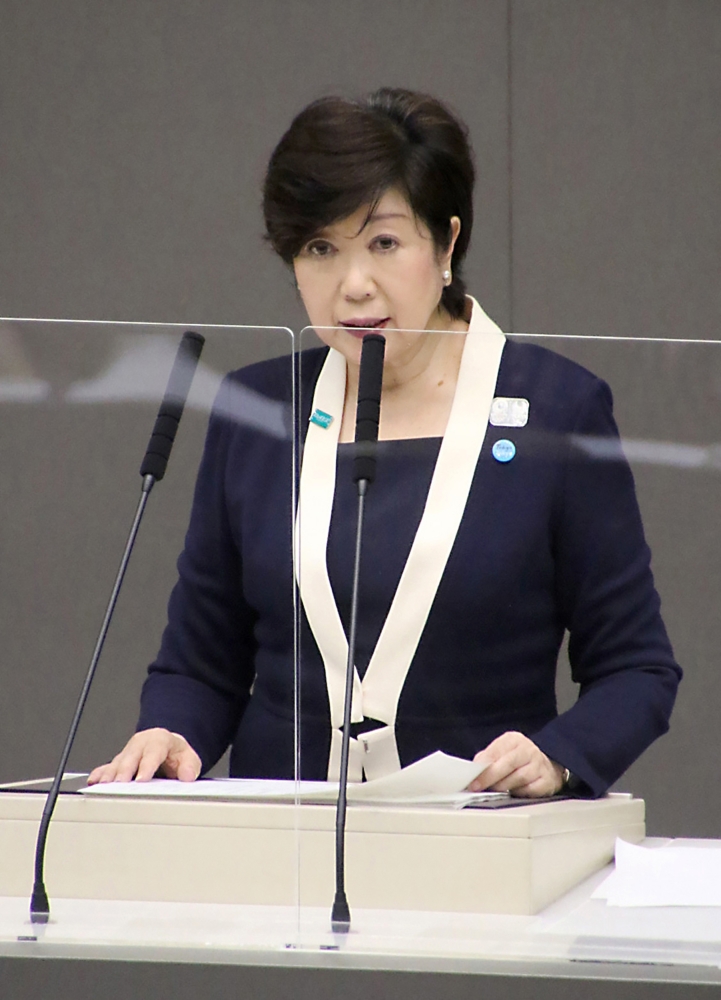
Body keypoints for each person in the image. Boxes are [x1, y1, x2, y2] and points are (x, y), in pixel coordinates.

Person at [89, 88, 681, 798]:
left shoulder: (558, 408)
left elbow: (635, 669)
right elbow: (200, 663)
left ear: (447, 243)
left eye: (384, 242)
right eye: (319, 248)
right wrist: (171, 733)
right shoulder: (255, 410)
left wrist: (556, 756)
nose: (353, 285)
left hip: (476, 837)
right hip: (282, 848)